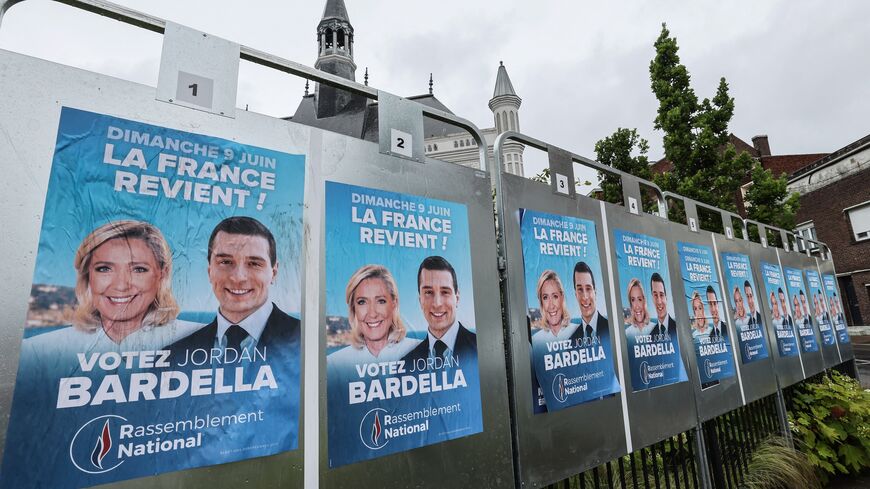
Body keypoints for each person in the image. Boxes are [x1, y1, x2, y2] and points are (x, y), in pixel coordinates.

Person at [24, 220, 198, 356]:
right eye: (104, 269)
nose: (121, 285)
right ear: (87, 276)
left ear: (162, 275)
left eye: (138, 269)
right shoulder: (38, 352)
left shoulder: (199, 340)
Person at [169, 216, 300, 364]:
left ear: (274, 273)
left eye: (254, 264)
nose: (238, 277)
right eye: (225, 262)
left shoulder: (309, 343)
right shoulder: (172, 358)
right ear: (209, 271)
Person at [328, 265, 419, 364]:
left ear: (394, 304)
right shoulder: (334, 365)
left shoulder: (422, 352)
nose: (372, 314)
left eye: (381, 301)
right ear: (353, 308)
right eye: (362, 302)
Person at [403, 256, 476, 364]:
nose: (437, 303)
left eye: (445, 292)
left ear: (457, 298)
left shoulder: (480, 349)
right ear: (420, 300)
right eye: (428, 292)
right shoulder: (407, 363)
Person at [569, 261, 609, 344]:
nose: (585, 297)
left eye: (588, 288)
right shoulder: (572, 340)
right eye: (580, 289)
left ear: (595, 292)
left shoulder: (611, 330)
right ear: (575, 294)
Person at [531, 270, 574, 341]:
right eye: (545, 297)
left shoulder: (579, 331)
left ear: (562, 297)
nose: (551, 306)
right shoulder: (535, 341)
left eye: (555, 296)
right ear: (541, 302)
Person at [649, 272, 676, 338]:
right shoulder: (651, 335)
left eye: (661, 295)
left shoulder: (677, 328)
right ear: (652, 298)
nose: (659, 301)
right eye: (655, 295)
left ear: (666, 298)